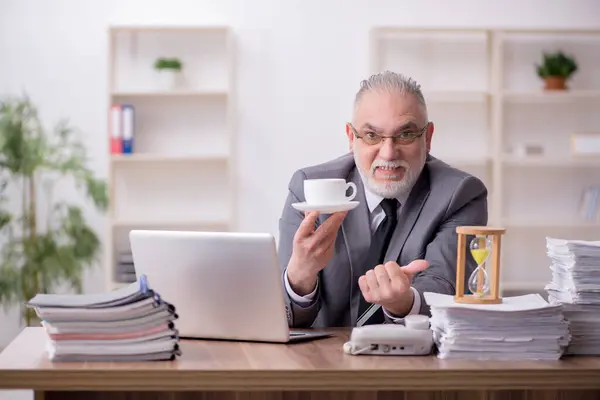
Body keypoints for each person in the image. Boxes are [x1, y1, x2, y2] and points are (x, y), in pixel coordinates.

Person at [277, 71, 488, 328]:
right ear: (351, 138)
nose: (388, 153)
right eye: (372, 136)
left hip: (416, 360)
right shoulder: (308, 187)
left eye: (405, 135)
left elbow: (444, 285)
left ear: (428, 137)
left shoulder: (461, 193)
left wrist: (404, 303)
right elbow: (285, 318)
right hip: (321, 359)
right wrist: (299, 277)